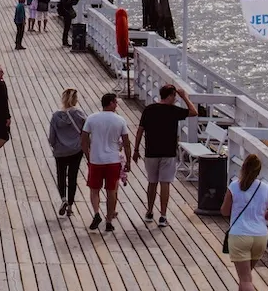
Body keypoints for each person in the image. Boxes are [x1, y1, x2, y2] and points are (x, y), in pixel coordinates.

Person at [220, 153, 268, 291]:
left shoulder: (234, 187)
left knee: (245, 279)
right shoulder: (267, 189)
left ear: (243, 167)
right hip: (260, 236)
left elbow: (224, 212)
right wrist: (260, 215)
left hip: (240, 236)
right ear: (259, 170)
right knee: (247, 279)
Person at [133, 84, 198, 226]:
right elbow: (194, 112)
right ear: (170, 96)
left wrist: (136, 150)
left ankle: (149, 212)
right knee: (165, 183)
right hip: (168, 152)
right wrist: (185, 97)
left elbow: (140, 130)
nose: (175, 99)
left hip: (151, 152)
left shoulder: (149, 109)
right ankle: (163, 216)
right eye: (174, 96)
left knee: (152, 182)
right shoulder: (173, 111)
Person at [81, 92, 132, 232]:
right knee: (111, 191)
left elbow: (84, 139)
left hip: (96, 160)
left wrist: (88, 155)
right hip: (113, 160)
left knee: (94, 190)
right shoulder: (120, 120)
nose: (117, 105)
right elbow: (126, 143)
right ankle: (109, 220)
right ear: (110, 103)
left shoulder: (92, 118)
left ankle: (97, 213)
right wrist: (128, 161)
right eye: (115, 102)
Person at [47, 88, 87, 217]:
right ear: (75, 100)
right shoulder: (80, 115)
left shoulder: (56, 116)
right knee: (73, 176)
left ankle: (63, 199)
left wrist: (55, 146)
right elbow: (86, 132)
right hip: (76, 150)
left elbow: (51, 137)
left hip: (60, 151)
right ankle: (70, 205)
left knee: (61, 175)